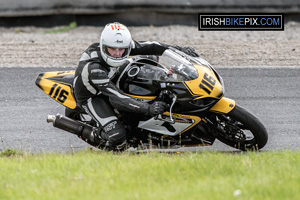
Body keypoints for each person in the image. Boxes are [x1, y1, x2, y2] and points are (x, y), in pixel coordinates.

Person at [73, 22, 199, 150]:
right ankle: (99, 139)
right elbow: (117, 97)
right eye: (112, 49)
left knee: (151, 58)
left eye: (121, 49)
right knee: (118, 136)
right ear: (103, 46)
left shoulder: (120, 46)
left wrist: (178, 49)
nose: (117, 53)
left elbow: (151, 46)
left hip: (113, 76)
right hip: (93, 95)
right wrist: (148, 109)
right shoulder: (94, 69)